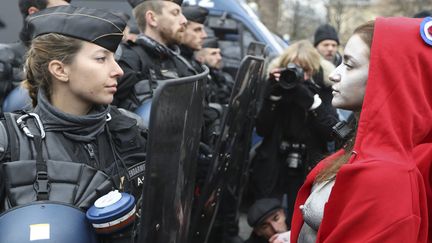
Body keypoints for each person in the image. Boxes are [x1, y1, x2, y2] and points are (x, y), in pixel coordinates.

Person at [0, 5, 147, 242]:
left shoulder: (131, 129)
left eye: (114, 58)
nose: (118, 70)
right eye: (101, 59)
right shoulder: (9, 141)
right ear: (60, 70)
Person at [290, 17, 431, 242]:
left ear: (387, 76)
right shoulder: (362, 152)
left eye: (349, 65)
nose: (334, 74)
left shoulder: (387, 179)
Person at [250, 40, 339, 230]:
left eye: (305, 70)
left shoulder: (322, 88)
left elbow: (331, 132)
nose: (298, 76)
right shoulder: (275, 85)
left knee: (301, 221)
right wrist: (272, 97)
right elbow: (262, 129)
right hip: (275, 161)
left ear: (314, 70)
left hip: (307, 162)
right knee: (270, 218)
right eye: (292, 69)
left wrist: (312, 102)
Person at [113, 0, 196, 111]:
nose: (184, 20)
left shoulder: (182, 63)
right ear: (152, 19)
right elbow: (104, 111)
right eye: (175, 13)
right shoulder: (130, 59)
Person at [0, 0, 70, 110]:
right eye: (61, 11)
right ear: (34, 13)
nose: (69, 18)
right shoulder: (5, 58)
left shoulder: (74, 58)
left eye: (70, 11)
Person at [195, 37, 234, 105]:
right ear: (200, 58)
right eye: (213, 54)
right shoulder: (197, 79)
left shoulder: (217, 74)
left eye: (219, 53)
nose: (219, 57)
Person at [179, 5, 209, 71]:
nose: (204, 35)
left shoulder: (191, 61)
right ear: (181, 30)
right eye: (197, 30)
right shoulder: (173, 62)